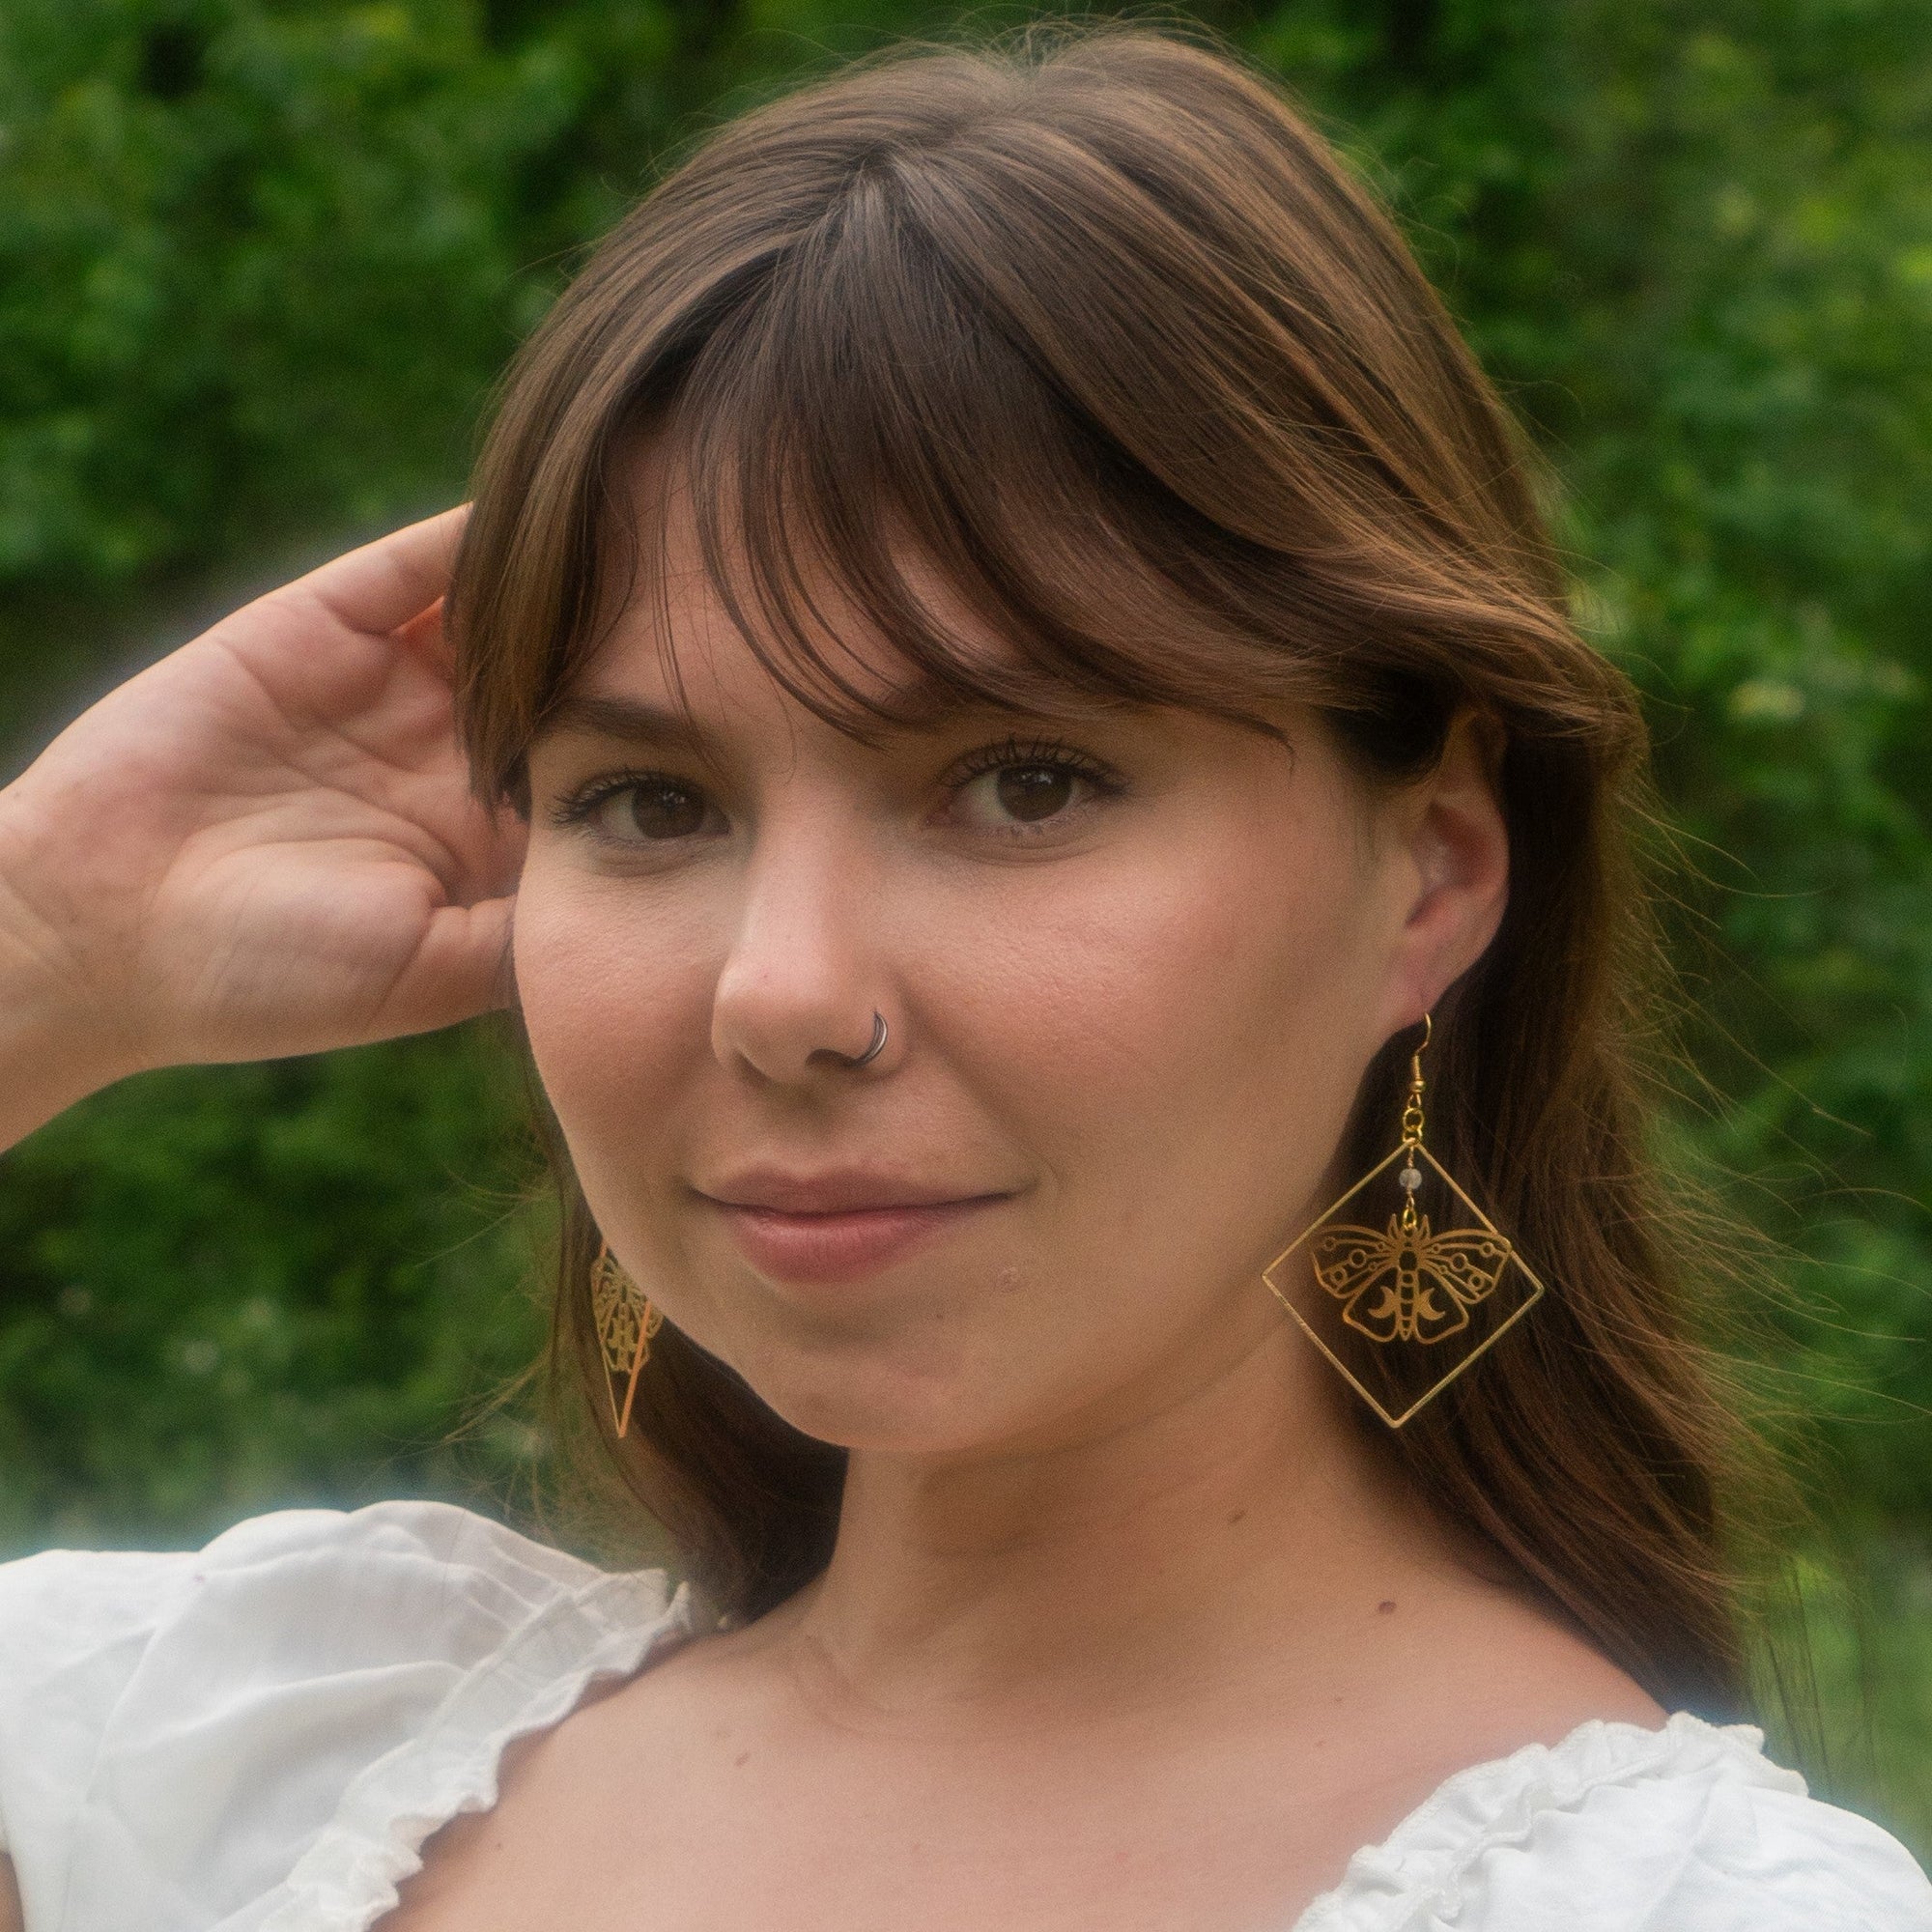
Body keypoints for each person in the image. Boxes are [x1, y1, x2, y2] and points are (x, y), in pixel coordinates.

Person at [0, 25, 1925, 1932]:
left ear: (1424, 878)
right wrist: (40, 946)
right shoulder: (226, 1766)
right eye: (650, 801)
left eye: (1022, 783)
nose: (782, 990)